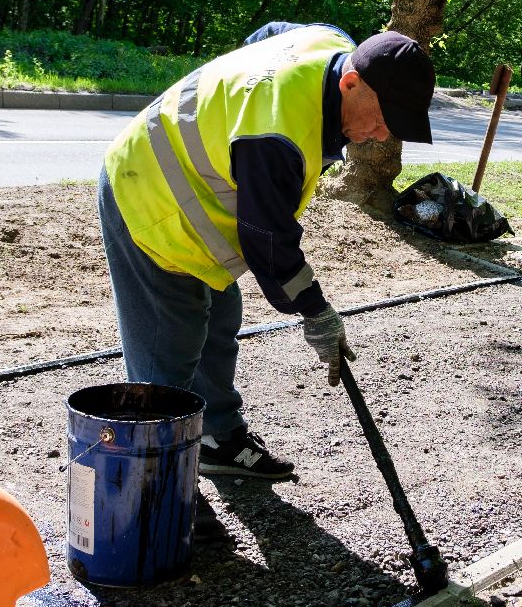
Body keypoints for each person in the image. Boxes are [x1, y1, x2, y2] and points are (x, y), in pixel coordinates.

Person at [98, 24, 436, 497]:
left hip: (198, 202)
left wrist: (231, 105)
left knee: (219, 322)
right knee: (167, 351)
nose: (381, 136)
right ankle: (161, 488)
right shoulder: (275, 135)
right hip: (149, 197)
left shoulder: (333, 42)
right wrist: (317, 314)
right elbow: (268, 242)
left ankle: (217, 440)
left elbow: (271, 33)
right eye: (382, 119)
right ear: (351, 83)